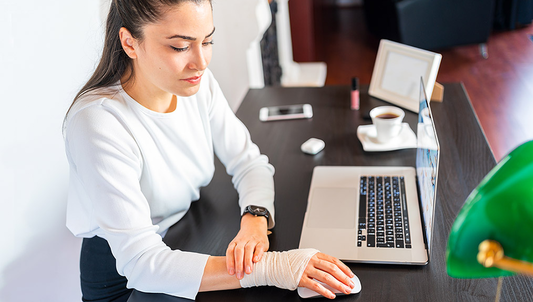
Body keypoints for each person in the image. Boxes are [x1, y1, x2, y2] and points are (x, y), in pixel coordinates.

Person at [63, 0, 356, 301]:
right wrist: (274, 267)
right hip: (125, 280)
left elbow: (249, 163)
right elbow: (141, 263)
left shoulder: (195, 84)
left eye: (208, 40)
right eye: (180, 47)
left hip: (186, 235)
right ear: (130, 43)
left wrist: (255, 219)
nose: (201, 62)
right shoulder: (98, 121)